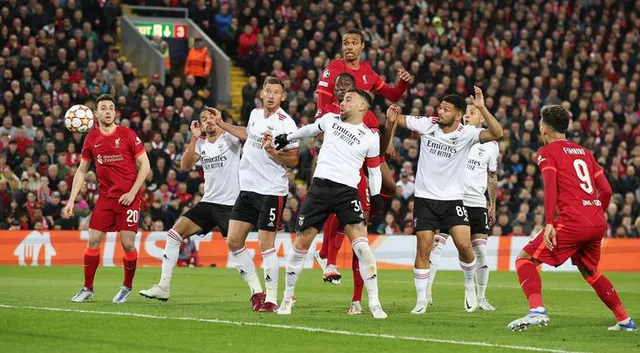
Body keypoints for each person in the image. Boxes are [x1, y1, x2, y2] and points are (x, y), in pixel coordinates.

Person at [507, 105, 636, 332]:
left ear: (544, 128)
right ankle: (625, 321)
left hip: (573, 221)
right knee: (591, 272)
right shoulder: (585, 153)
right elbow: (605, 190)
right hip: (596, 222)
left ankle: (537, 310)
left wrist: (549, 223)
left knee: (524, 259)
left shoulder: (547, 152)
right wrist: (595, 213)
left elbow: (550, 188)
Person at [385, 87, 503, 314]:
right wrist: (389, 136)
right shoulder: (428, 123)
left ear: (457, 115)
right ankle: (421, 300)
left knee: (465, 246)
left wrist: (481, 107)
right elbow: (396, 118)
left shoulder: (466, 134)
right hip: (425, 199)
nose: (440, 111)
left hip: (453, 200)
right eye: (440, 107)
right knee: (424, 249)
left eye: (446, 109)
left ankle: (470, 287)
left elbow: (496, 132)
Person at [273, 89, 387, 319]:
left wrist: (375, 197)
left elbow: (374, 171)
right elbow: (309, 130)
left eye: (348, 99)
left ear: (362, 107)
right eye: (342, 99)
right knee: (300, 245)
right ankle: (287, 299)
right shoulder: (330, 120)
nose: (342, 102)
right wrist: (289, 137)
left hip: (347, 193)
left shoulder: (370, 136)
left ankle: (374, 302)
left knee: (362, 247)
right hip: (320, 189)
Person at [314, 29, 411, 284]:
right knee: (344, 195)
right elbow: (323, 101)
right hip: (343, 141)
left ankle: (360, 217)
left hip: (368, 138)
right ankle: (329, 256)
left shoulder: (368, 71)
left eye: (354, 43)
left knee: (389, 187)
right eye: (345, 42)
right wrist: (324, 129)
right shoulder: (333, 69)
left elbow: (391, 94)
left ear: (362, 46)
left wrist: (402, 83)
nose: (349, 47)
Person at [139, 108, 241, 301]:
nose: (208, 121)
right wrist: (194, 139)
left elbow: (247, 134)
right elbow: (185, 166)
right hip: (208, 203)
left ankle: (259, 291)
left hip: (230, 204)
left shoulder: (230, 138)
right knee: (174, 233)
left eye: (211, 117)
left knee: (237, 248)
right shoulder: (201, 143)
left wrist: (222, 123)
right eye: (204, 119)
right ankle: (163, 286)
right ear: (200, 126)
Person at [216, 77, 299, 313]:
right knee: (233, 241)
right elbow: (248, 133)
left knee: (266, 244)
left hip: (271, 191)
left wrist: (273, 152)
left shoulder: (286, 124)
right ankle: (257, 291)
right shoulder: (254, 114)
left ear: (282, 97)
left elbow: (294, 159)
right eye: (268, 91)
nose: (271, 95)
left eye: (276, 92)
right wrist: (222, 124)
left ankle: (272, 299)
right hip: (247, 189)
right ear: (261, 93)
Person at [63, 94, 151, 304]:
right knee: (93, 240)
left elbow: (145, 165)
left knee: (128, 244)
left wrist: (132, 193)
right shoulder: (91, 138)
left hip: (129, 197)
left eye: (111, 108)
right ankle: (87, 288)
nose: (108, 111)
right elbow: (82, 170)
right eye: (104, 108)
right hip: (106, 198)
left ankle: (126, 287)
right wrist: (71, 200)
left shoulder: (127, 134)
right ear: (96, 114)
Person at [311, 72, 377, 314]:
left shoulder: (365, 113)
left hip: (359, 178)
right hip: (333, 175)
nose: (341, 90)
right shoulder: (328, 112)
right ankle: (328, 258)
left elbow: (373, 147)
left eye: (347, 87)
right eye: (338, 86)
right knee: (335, 218)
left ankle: (358, 300)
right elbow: (317, 139)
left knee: (360, 239)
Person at [425, 101, 500, 311]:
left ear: (482, 119)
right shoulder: (453, 137)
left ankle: (482, 296)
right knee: (436, 246)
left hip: (476, 202)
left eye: (472, 113)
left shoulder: (491, 146)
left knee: (481, 251)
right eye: (465, 113)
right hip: (452, 198)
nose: (467, 116)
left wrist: (491, 204)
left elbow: (492, 176)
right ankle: (427, 292)